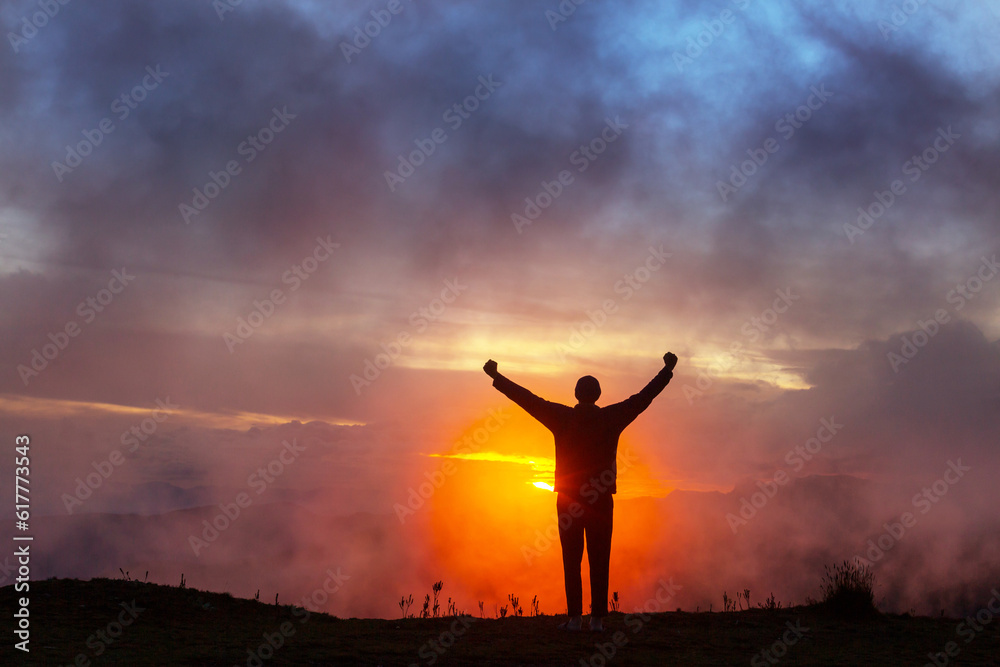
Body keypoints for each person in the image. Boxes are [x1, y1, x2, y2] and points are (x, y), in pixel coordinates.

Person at [483, 352, 677, 631]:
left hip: (569, 499)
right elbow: (643, 398)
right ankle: (597, 619)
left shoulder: (560, 416)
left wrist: (498, 378)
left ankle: (575, 618)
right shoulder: (611, 417)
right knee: (600, 557)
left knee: (571, 559)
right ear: (598, 395)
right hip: (600, 499)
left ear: (576, 394)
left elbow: (527, 399)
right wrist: (666, 370)